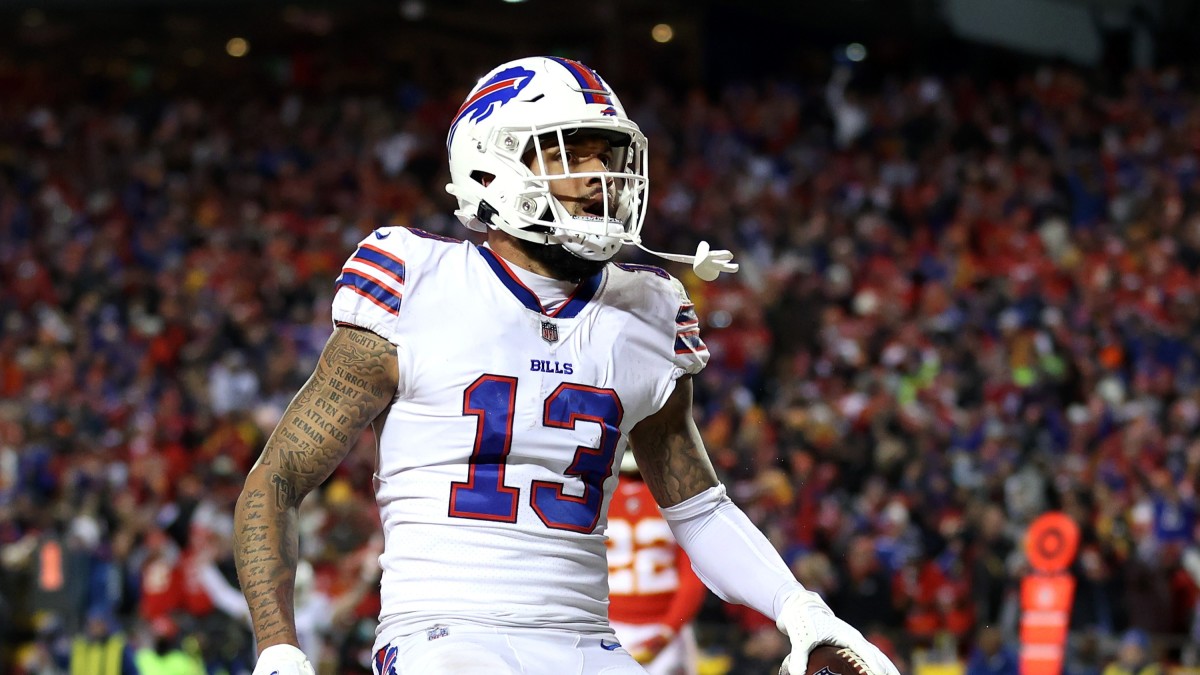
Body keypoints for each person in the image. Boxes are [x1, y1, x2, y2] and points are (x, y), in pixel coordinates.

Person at [233, 55, 898, 675]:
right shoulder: (416, 281)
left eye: (606, 155)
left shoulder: (648, 309)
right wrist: (278, 646)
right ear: (492, 167)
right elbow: (278, 476)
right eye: (568, 152)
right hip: (443, 637)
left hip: (590, 642)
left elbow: (698, 508)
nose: (596, 177)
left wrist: (799, 606)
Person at [607, 454, 706, 674]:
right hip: (658, 625)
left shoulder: (596, 499)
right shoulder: (677, 496)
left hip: (611, 624)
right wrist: (668, 631)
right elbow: (693, 576)